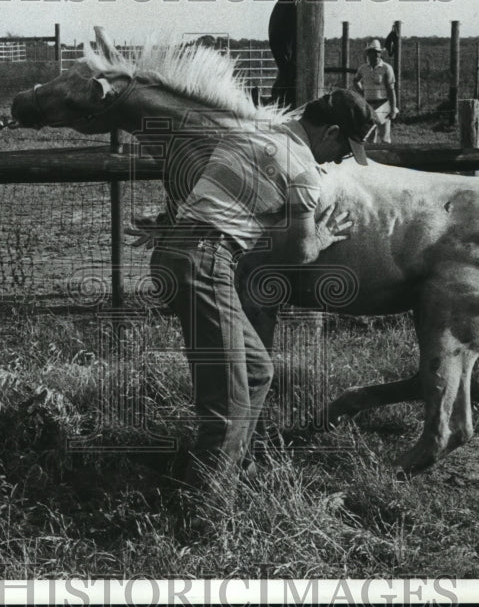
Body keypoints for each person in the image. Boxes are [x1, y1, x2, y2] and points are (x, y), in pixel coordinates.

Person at [148, 89, 374, 511]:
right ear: (332, 132)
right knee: (229, 399)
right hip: (205, 262)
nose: (339, 160)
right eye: (344, 150)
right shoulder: (305, 172)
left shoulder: (254, 131)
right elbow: (299, 253)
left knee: (256, 370)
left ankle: (228, 469)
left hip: (175, 252)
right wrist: (323, 235)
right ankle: (208, 510)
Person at [354, 39, 398, 144]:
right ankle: (371, 159)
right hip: (368, 105)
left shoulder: (387, 68)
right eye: (373, 52)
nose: (376, 55)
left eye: (378, 52)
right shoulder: (363, 68)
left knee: (384, 138)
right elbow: (355, 80)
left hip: (382, 104)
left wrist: (392, 109)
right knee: (369, 136)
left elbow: (391, 90)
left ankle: (386, 159)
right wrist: (361, 92)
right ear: (368, 54)